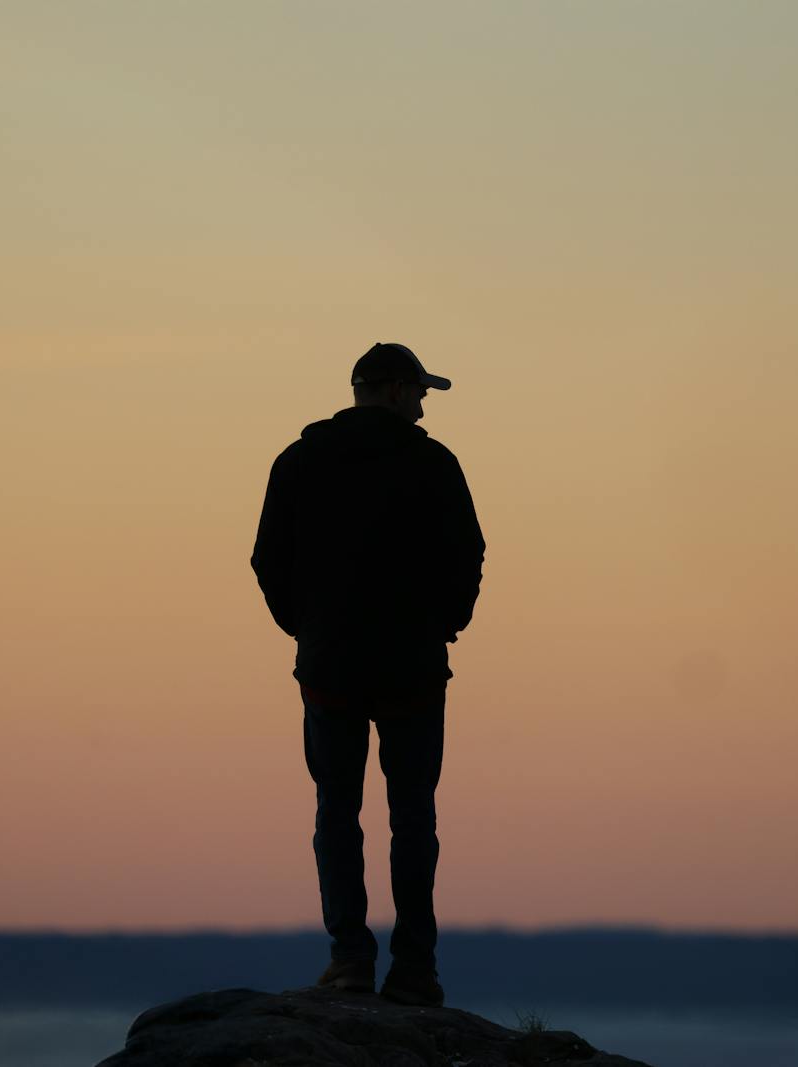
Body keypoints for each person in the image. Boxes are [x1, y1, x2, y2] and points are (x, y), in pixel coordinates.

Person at [251, 342, 485, 1007]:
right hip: (413, 667)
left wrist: (307, 628)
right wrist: (448, 621)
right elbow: (469, 551)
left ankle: (350, 958)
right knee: (412, 815)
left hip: (331, 668)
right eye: (417, 393)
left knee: (337, 810)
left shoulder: (298, 462)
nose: (422, 406)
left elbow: (268, 558)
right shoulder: (432, 464)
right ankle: (414, 969)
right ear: (389, 391)